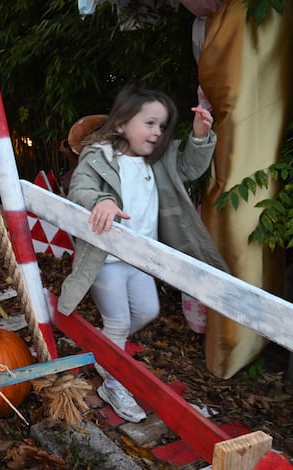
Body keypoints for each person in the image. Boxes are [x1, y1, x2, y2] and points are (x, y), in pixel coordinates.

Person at [57, 84, 228, 423]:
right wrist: (101, 200)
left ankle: (106, 350)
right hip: (105, 258)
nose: (157, 132)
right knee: (118, 321)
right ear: (121, 123)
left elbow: (189, 169)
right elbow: (80, 187)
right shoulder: (101, 155)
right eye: (149, 123)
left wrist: (199, 136)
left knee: (148, 311)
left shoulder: (158, 161)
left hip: (140, 257)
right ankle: (113, 382)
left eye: (162, 126)